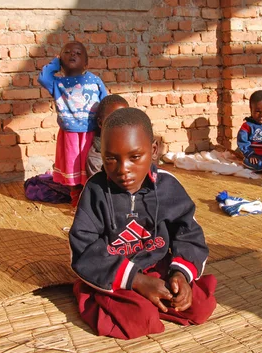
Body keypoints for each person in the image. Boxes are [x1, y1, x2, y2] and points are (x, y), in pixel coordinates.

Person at [69, 108, 217, 340]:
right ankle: (125, 300)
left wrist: (180, 275)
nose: (123, 169)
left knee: (200, 306)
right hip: (115, 270)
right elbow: (84, 246)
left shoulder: (168, 187)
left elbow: (188, 234)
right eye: (111, 158)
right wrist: (136, 281)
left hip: (156, 265)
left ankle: (156, 299)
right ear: (101, 153)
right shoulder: (95, 191)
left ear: (154, 150)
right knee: (140, 319)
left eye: (135, 157)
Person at [38, 41, 108, 209]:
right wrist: (55, 63)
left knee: (89, 166)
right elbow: (43, 77)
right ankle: (76, 197)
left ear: (86, 62)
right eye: (67, 52)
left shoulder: (94, 80)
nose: (73, 55)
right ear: (61, 60)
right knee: (72, 167)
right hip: (69, 135)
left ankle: (91, 197)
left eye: (78, 53)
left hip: (90, 132)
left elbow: (106, 102)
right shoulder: (56, 83)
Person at [85, 94, 129, 178]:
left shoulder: (135, 143)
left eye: (125, 118)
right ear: (100, 123)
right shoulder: (96, 157)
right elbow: (99, 188)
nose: (120, 124)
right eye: (113, 120)